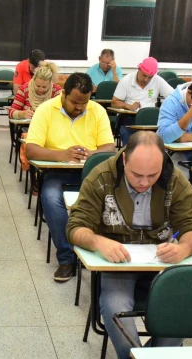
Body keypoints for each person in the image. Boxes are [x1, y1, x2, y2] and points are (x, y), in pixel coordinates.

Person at [66, 132, 192, 359]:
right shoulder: (101, 176)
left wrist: (183, 249)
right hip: (119, 263)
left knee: (183, 311)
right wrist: (98, 242)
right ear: (124, 159)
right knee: (116, 306)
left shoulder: (174, 178)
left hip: (160, 261)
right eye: (136, 175)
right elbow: (76, 227)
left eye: (151, 175)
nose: (144, 182)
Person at [25, 72, 116, 282]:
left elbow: (109, 148)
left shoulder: (97, 111)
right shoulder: (46, 110)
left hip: (91, 172)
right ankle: (67, 258)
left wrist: (89, 154)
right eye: (75, 102)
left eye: (84, 103)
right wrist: (62, 155)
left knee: (112, 198)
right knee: (50, 197)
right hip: (57, 172)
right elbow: (31, 149)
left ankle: (96, 248)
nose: (80, 107)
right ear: (63, 94)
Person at [9, 62, 62, 174]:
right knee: (31, 142)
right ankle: (33, 174)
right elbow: (11, 112)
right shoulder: (24, 89)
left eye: (44, 87)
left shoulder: (57, 91)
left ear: (50, 83)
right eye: (37, 85)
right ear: (33, 79)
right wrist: (22, 114)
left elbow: (63, 113)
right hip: (29, 129)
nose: (41, 89)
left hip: (50, 129)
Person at [111, 57, 174, 146]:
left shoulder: (157, 80)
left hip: (151, 122)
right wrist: (128, 106)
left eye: (150, 77)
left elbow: (173, 97)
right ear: (139, 69)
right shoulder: (126, 80)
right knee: (133, 148)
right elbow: (114, 102)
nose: (146, 80)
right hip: (130, 121)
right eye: (144, 75)